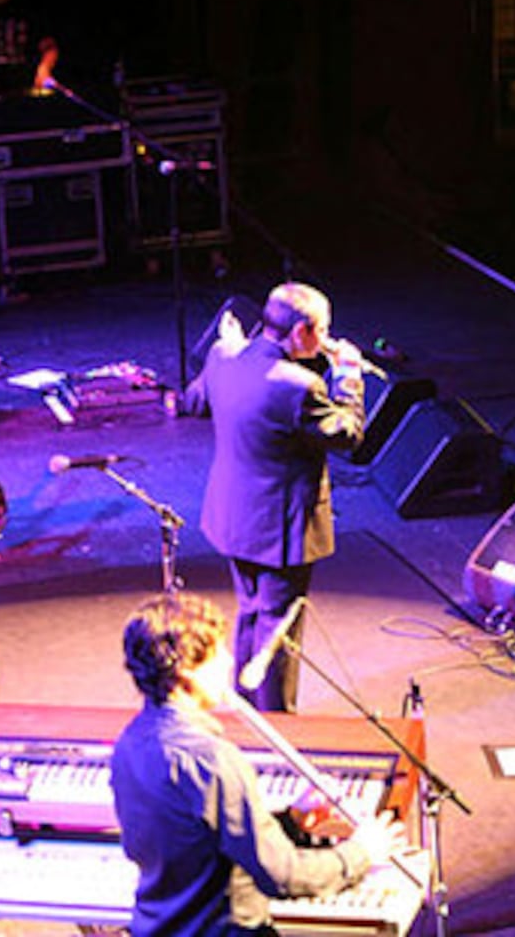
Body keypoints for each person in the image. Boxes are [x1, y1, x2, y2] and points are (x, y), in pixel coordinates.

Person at [110, 592, 405, 936]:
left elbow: (198, 844)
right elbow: (282, 876)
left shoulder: (128, 744)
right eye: (217, 652)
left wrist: (291, 821)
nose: (229, 661)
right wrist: (361, 852)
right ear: (186, 671)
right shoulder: (213, 761)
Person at [183, 282, 366, 713]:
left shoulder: (223, 355)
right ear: (300, 331)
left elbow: (195, 402)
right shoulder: (299, 385)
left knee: (250, 612)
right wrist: (348, 378)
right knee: (278, 627)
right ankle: (279, 724)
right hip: (280, 527)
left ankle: (246, 710)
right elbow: (348, 435)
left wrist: (234, 348)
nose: (325, 340)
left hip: (233, 515)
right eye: (321, 331)